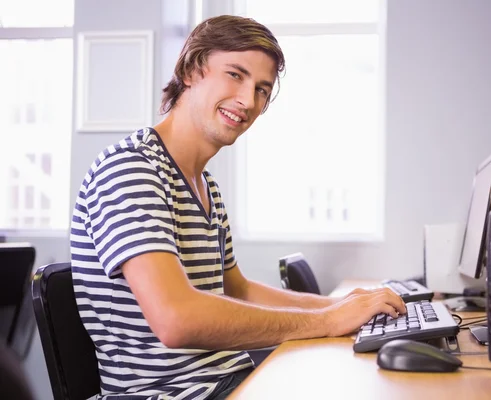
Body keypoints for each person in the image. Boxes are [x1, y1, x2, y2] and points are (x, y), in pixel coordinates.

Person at [70, 15, 405, 400]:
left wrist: (339, 306)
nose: (248, 101)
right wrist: (327, 320)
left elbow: (239, 290)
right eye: (235, 74)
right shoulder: (131, 169)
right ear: (192, 69)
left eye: (262, 89)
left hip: (226, 382)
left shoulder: (202, 182)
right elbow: (175, 320)